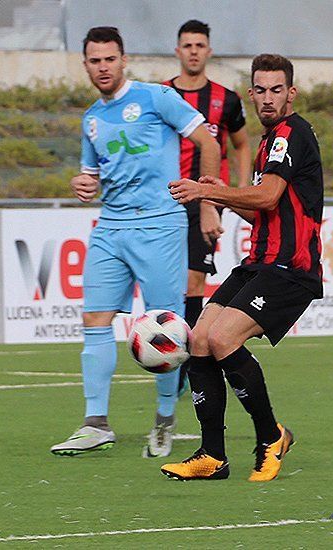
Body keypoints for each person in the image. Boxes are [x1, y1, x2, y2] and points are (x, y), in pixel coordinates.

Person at [50, 27, 221, 458]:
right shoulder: (90, 118)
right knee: (94, 319)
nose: (103, 67)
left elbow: (208, 141)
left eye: (110, 59)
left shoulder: (154, 98)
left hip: (160, 225)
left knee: (165, 326)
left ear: (123, 60)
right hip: (111, 227)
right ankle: (96, 423)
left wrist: (206, 201)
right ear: (85, 65)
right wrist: (84, 183)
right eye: (94, 60)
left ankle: (165, 417)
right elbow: (92, 173)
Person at [161, 54, 324, 482]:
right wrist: (223, 194)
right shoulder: (269, 141)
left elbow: (268, 197)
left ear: (292, 93)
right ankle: (212, 456)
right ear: (251, 93)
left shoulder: (292, 133)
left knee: (222, 336)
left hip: (291, 267)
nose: (268, 98)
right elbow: (265, 213)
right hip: (259, 263)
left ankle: (271, 436)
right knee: (199, 339)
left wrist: (206, 189)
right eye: (261, 90)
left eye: (277, 90)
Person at [162, 19, 252, 330]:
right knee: (168, 280)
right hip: (166, 199)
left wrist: (240, 190)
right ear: (178, 51)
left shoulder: (226, 99)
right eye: (187, 46)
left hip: (206, 201)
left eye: (199, 46)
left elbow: (241, 145)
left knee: (193, 279)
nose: (193, 52)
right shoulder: (162, 95)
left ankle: (187, 364)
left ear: (209, 51)